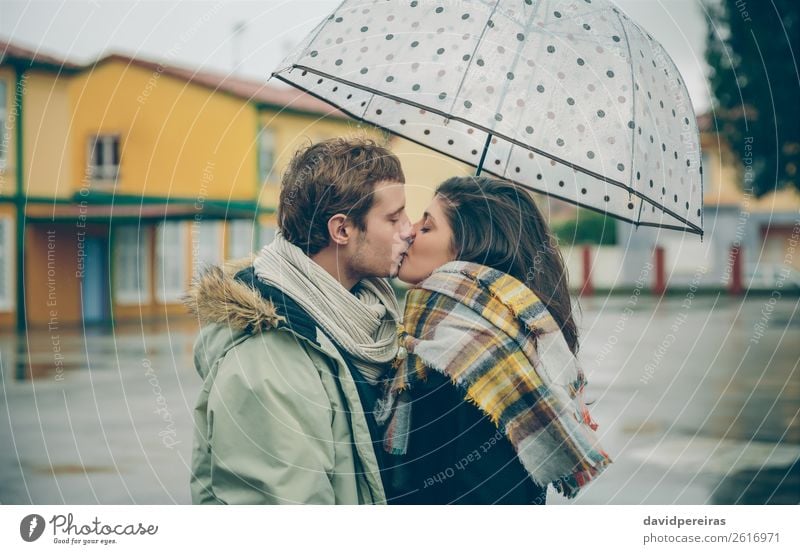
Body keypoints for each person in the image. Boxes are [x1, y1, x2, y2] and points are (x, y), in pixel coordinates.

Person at [184, 137, 413, 504]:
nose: (409, 228)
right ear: (342, 230)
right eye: (393, 217)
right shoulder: (267, 364)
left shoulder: (366, 320)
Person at [381, 176, 612, 504]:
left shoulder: (465, 358)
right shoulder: (491, 336)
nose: (409, 231)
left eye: (428, 226)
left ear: (468, 249)